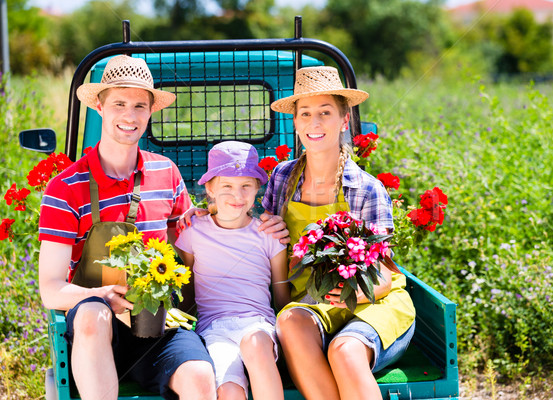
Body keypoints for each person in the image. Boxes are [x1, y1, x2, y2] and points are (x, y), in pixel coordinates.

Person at [37, 55, 219, 400]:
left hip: (156, 324)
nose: (130, 115)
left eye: (139, 105)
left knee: (198, 376)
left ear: (151, 111)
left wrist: (245, 222)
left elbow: (187, 246)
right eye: (119, 103)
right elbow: (50, 288)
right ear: (100, 107)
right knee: (92, 315)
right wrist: (99, 296)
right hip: (98, 335)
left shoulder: (166, 173)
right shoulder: (66, 188)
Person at [262, 66, 416, 400]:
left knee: (345, 352)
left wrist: (349, 295)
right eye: (305, 113)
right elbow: (264, 245)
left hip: (372, 300)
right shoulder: (282, 179)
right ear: (295, 122)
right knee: (289, 323)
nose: (314, 123)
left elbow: (384, 276)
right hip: (311, 300)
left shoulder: (365, 189)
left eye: (325, 112)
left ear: (344, 120)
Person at [175, 141, 290, 400]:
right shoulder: (194, 232)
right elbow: (188, 290)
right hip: (214, 329)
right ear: (210, 188)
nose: (237, 196)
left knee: (255, 344)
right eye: (226, 186)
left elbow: (281, 295)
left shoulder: (269, 235)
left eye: (246, 186)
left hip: (259, 324)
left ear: (257, 188)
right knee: (228, 390)